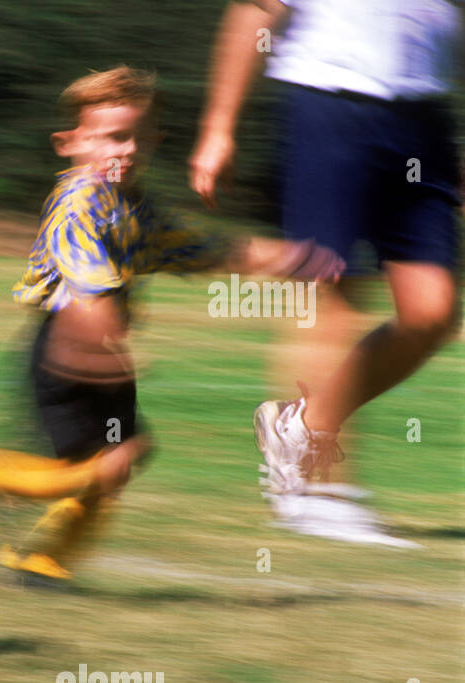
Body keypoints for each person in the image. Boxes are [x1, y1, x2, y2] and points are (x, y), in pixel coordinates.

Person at [0, 66, 342, 584]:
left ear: (154, 140)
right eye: (111, 137)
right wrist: (103, 346)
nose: (125, 150)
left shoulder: (132, 206)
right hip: (64, 350)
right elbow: (88, 297)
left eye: (135, 137)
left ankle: (40, 564)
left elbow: (210, 248)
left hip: (103, 351)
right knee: (107, 463)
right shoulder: (78, 204)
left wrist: (289, 257)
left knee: (123, 458)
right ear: (70, 144)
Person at [190, 0, 461, 546]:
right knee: (330, 293)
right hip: (327, 105)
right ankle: (318, 489)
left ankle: (299, 430)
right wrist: (220, 127)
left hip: (422, 118)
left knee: (433, 311)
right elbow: (254, 11)